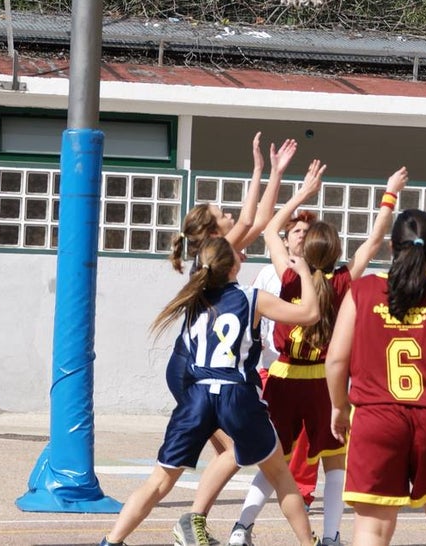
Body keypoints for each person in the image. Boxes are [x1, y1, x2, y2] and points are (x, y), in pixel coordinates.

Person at [98, 237, 320, 546]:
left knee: (160, 480)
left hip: (197, 395)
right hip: (236, 394)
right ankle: (308, 544)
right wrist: (306, 275)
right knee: (281, 476)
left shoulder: (193, 300)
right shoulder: (251, 298)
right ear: (233, 266)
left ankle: (111, 541)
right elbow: (309, 314)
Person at [230, 165, 410, 546]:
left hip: (282, 376)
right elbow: (375, 239)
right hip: (323, 381)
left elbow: (269, 228)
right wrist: (389, 193)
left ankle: (241, 528)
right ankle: (330, 537)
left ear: (306, 247)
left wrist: (301, 195)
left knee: (272, 459)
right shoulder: (344, 280)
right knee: (334, 466)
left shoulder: (290, 275)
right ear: (336, 251)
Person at [326, 208, 426, 546]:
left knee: (372, 529)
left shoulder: (363, 291)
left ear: (390, 247)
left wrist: (339, 407)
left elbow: (336, 360)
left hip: (377, 416)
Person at [165, 133, 298, 546]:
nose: (229, 214)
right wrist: (265, 170)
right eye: (221, 212)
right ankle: (191, 521)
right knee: (236, 448)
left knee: (235, 450)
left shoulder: (213, 258)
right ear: (211, 230)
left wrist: (270, 172)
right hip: (194, 370)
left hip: (191, 367)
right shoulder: (217, 252)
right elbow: (253, 221)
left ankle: (193, 521)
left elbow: (257, 221)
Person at [249, 209, 321, 510]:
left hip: (310, 368)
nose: (302, 235)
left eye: (307, 231)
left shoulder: (321, 274)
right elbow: (253, 310)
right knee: (274, 436)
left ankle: (301, 492)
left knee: (306, 438)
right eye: (296, 231)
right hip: (272, 365)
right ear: (286, 240)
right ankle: (274, 483)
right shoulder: (270, 273)